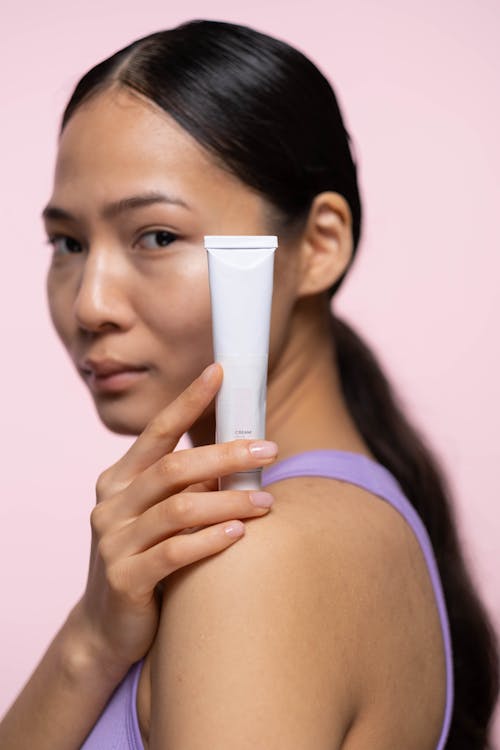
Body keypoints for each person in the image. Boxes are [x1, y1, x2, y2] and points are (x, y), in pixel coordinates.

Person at [0, 18, 498, 750]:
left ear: (320, 246)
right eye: (68, 243)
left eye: (157, 236)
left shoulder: (255, 555)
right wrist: (89, 641)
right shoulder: (336, 525)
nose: (89, 304)